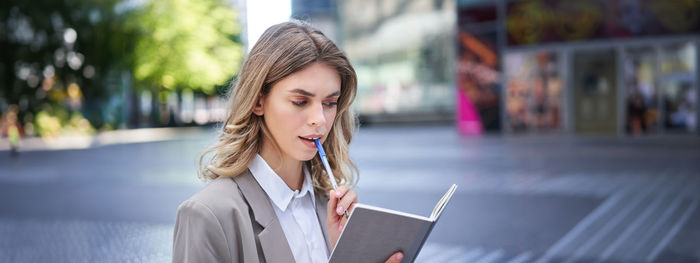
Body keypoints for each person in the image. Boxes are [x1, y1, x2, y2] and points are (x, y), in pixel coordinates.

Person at [172, 21, 404, 263]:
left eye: (329, 103)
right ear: (258, 101)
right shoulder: (208, 215)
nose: (320, 120)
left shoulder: (332, 208)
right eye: (300, 101)